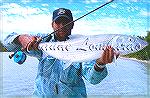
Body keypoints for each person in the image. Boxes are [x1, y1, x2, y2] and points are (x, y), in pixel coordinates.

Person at [3, 8, 118, 98]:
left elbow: (93, 79)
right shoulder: (42, 40)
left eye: (66, 22)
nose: (61, 26)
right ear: (52, 25)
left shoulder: (84, 44)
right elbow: (7, 42)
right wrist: (21, 38)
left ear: (72, 24)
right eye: (58, 22)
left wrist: (100, 64)